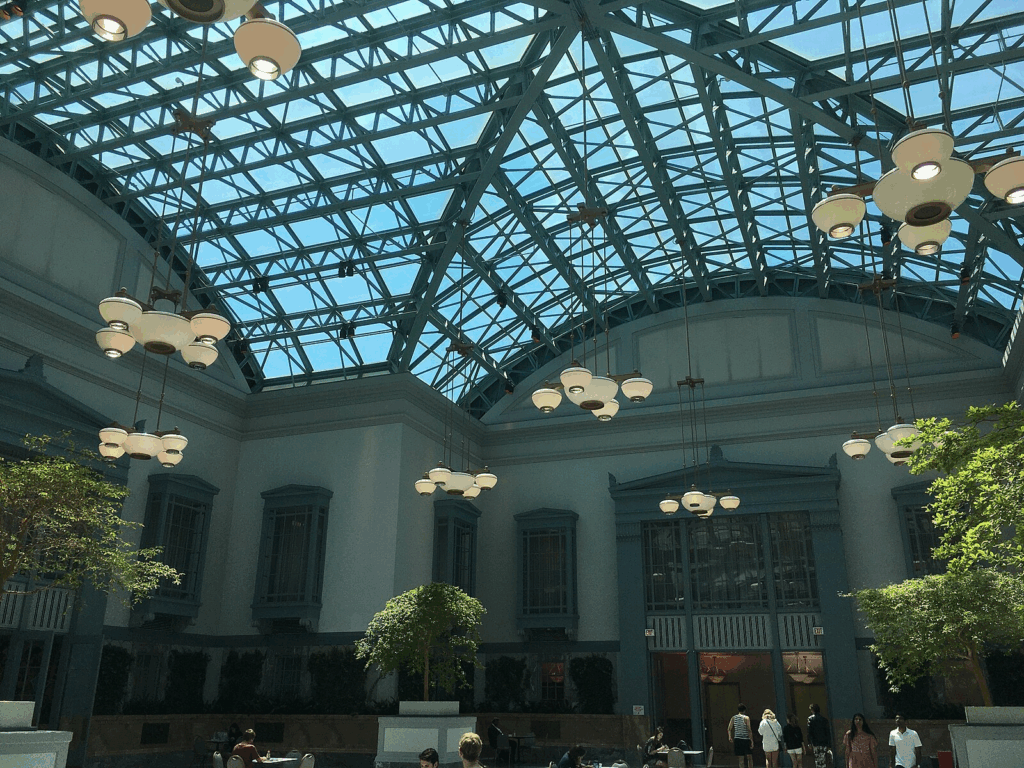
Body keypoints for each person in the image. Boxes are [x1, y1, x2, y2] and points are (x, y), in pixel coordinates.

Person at [727, 704, 753, 768]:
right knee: (749, 757)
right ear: (744, 710)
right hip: (745, 739)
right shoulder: (746, 718)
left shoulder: (733, 718)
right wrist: (751, 740)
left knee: (741, 759)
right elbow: (749, 730)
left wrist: (730, 736)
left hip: (737, 739)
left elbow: (729, 728)